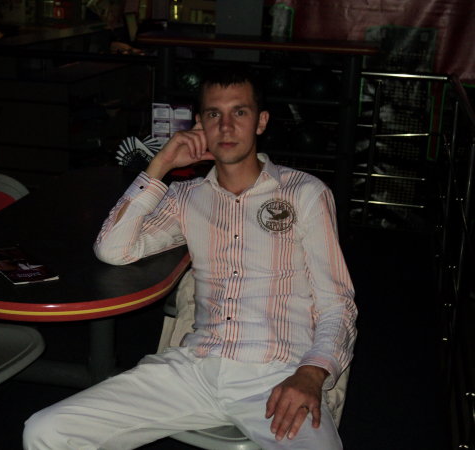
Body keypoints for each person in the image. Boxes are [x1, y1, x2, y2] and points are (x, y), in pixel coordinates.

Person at [23, 66, 357, 449]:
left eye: (240, 112)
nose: (226, 126)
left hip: (278, 373)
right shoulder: (187, 197)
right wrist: (160, 165)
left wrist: (312, 372)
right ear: (200, 124)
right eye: (214, 114)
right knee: (45, 430)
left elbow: (337, 303)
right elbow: (113, 248)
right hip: (194, 367)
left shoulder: (304, 192)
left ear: (261, 121)